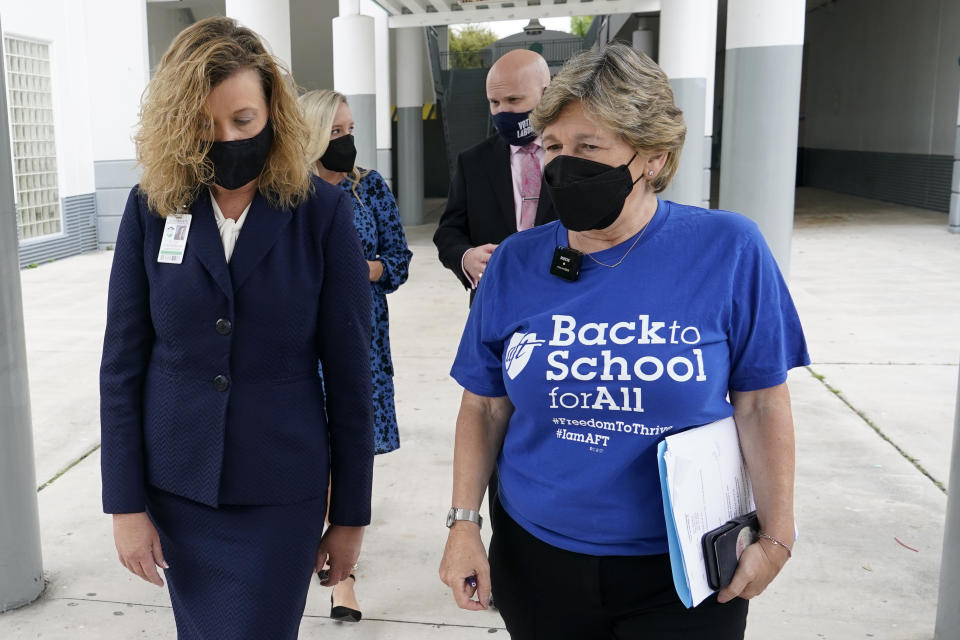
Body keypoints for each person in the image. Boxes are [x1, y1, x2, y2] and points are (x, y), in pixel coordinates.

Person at [438, 43, 809, 640]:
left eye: (589, 147)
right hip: (538, 559)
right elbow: (483, 404)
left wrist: (777, 536)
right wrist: (462, 524)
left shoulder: (729, 250)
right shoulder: (515, 262)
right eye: (554, 147)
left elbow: (763, 402)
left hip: (686, 569)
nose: (564, 166)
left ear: (654, 158)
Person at [99, 18, 373, 640]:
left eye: (242, 120)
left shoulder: (322, 214)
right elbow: (122, 364)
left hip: (281, 491)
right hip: (178, 487)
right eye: (204, 125)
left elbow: (352, 375)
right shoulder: (152, 207)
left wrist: (351, 514)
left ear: (275, 111)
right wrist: (125, 502)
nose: (225, 139)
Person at [298, 88, 413, 622]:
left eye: (349, 131)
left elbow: (398, 259)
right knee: (311, 456)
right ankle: (325, 565)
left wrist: (359, 269)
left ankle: (341, 578)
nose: (344, 142)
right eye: (334, 133)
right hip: (298, 344)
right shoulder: (286, 195)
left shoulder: (370, 188)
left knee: (351, 453)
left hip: (360, 340)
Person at [433, 48, 557, 305]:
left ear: (546, 94)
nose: (502, 112)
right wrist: (466, 257)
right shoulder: (472, 163)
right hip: (494, 302)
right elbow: (448, 232)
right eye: (494, 102)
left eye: (514, 100)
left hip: (563, 300)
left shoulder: (577, 155)